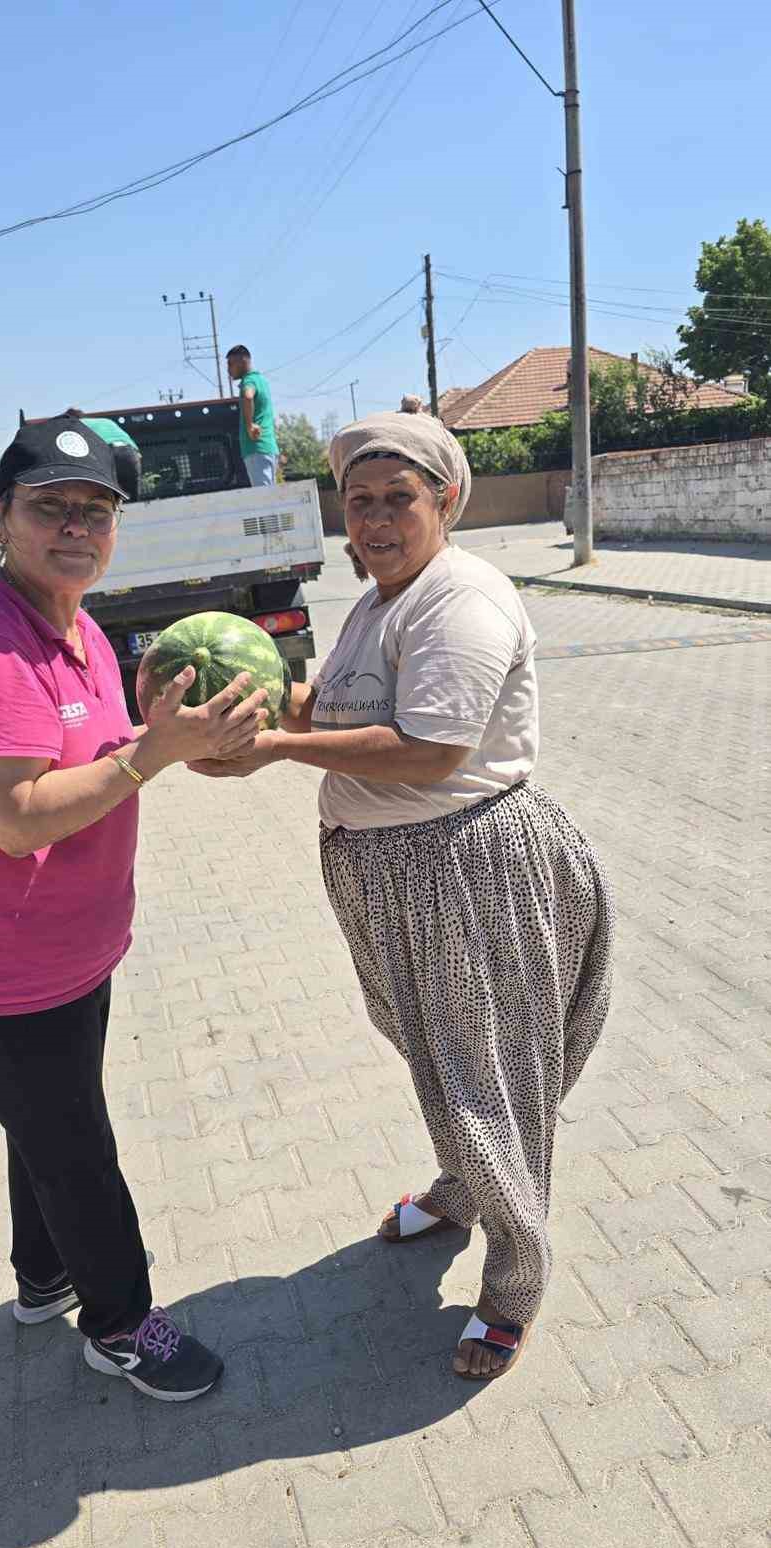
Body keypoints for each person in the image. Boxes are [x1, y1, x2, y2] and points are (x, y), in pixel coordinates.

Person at [188, 410, 614, 1382]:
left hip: (466, 871)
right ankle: (465, 1186)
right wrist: (245, 711)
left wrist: (276, 748)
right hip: (392, 874)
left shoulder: (461, 600)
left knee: (486, 1077)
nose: (375, 519)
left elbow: (432, 748)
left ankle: (515, 1280)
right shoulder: (382, 599)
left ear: (446, 501)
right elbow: (338, 706)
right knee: (437, 1052)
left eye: (399, 499)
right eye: (359, 500)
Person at [0, 415, 267, 1402]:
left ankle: (43, 1276)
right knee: (77, 1148)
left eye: (95, 510)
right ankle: (121, 1324)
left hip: (61, 948)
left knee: (45, 1123)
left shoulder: (75, 622)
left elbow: (95, 750)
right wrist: (151, 756)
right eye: (51, 507)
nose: (76, 527)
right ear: (2, 517)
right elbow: (15, 819)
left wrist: (174, 739)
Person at [62, 406, 142, 501]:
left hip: (108, 452)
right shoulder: (106, 421)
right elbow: (137, 453)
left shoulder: (76, 424)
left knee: (107, 494)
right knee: (132, 498)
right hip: (130, 452)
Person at [226, 345, 279, 487]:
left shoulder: (248, 381)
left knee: (264, 496)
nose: (228, 369)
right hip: (268, 447)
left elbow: (248, 396)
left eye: (231, 364)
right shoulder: (261, 380)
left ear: (243, 361)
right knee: (270, 494)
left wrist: (249, 426)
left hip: (256, 448)